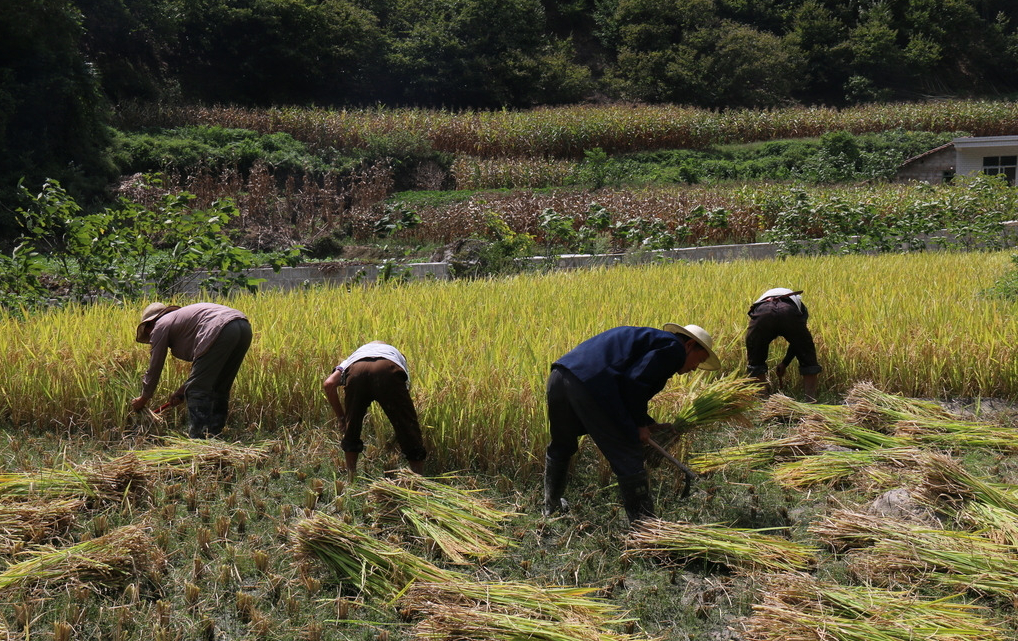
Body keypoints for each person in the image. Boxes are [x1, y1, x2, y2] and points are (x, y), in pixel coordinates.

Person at [543, 323, 721, 525]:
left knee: (562, 444)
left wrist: (646, 422)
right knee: (628, 454)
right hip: (592, 386)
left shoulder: (654, 341)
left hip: (560, 376)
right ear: (690, 345)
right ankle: (644, 527)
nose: (695, 367)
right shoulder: (674, 349)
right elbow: (634, 384)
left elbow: (626, 384)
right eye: (700, 360)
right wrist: (638, 425)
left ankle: (552, 506)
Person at [132, 302, 253, 439]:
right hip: (242, 327)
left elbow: (155, 364)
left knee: (197, 391)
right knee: (219, 387)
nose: (150, 334)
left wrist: (144, 398)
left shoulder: (160, 325)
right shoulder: (181, 320)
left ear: (149, 325)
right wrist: (183, 390)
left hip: (219, 328)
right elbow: (203, 369)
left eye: (147, 329)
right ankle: (215, 436)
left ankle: (199, 439)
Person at [323, 341, 426, 482]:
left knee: (352, 427)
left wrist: (342, 418)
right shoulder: (397, 357)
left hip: (357, 371)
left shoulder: (353, 358)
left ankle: (351, 478)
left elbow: (328, 384)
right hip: (387, 369)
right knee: (407, 426)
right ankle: (418, 478)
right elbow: (403, 402)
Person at [745, 287, 822, 402]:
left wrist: (785, 363)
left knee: (755, 361)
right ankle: (810, 401)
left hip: (763, 314)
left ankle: (763, 401)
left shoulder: (761, 301)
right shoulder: (799, 305)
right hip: (788, 311)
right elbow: (798, 343)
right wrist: (785, 363)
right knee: (808, 357)